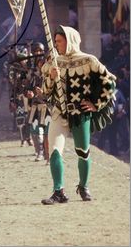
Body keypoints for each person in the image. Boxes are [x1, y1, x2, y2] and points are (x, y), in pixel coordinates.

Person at [41, 25, 116, 205]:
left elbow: (109, 83)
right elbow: (45, 90)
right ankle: (58, 191)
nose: (56, 45)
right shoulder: (54, 62)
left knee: (82, 151)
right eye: (55, 41)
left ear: (70, 40)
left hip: (80, 114)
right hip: (59, 112)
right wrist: (51, 77)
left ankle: (83, 186)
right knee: (54, 150)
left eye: (59, 41)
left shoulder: (89, 61)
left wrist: (95, 104)